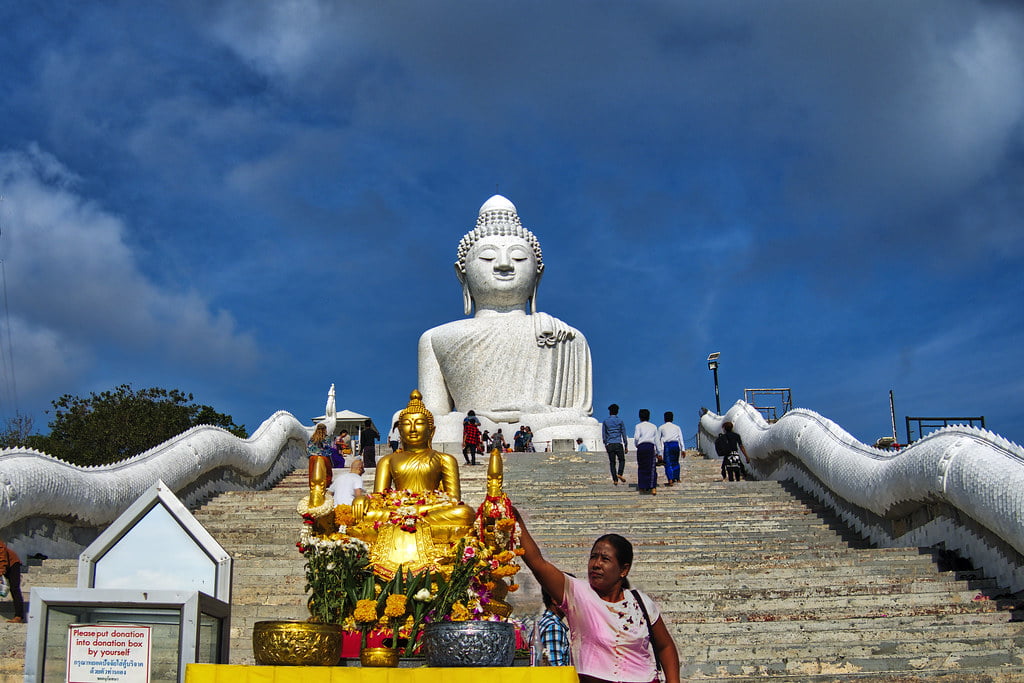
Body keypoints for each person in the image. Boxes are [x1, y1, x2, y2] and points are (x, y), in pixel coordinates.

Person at [417, 195, 597, 440]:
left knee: (579, 430)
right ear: (462, 274)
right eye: (487, 257)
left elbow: (580, 414)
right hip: (473, 429)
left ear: (538, 275)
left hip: (542, 425)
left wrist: (537, 415)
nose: (504, 265)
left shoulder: (566, 337)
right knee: (439, 428)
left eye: (519, 258)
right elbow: (431, 417)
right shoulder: (436, 338)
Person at [516, 511, 681, 683]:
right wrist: (517, 521)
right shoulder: (576, 592)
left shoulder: (641, 602)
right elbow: (538, 563)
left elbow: (665, 646)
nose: (596, 564)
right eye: (593, 557)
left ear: (623, 570)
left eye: (605, 559)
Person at [534, 586, 571, 666]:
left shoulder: (545, 622)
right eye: (570, 596)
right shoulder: (554, 627)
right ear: (555, 600)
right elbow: (556, 669)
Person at [634, 409, 662, 495]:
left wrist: (637, 446)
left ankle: (642, 487)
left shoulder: (638, 426)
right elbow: (657, 440)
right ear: (649, 416)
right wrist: (659, 452)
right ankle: (653, 487)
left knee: (641, 467)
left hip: (641, 447)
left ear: (640, 417)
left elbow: (636, 438)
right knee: (651, 468)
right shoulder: (653, 426)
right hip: (650, 447)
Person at [602, 404, 628, 486]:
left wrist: (605, 444)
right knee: (622, 460)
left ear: (609, 411)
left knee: (612, 463)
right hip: (618, 443)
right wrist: (626, 445)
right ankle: (620, 473)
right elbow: (623, 433)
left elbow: (604, 434)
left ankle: (615, 480)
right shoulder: (620, 421)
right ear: (617, 411)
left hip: (610, 444)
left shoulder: (606, 421)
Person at [658, 412, 685, 487]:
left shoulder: (661, 427)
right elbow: (681, 438)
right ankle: (677, 478)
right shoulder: (677, 427)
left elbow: (657, 440)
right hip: (676, 445)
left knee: (668, 463)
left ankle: (670, 479)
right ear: (672, 418)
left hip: (667, 445)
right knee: (676, 462)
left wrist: (658, 452)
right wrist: (683, 449)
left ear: (664, 418)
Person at [0, 539, 25, 623]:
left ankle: (19, 616)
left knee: (14, 588)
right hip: (3, 566)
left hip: (12, 563)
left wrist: (1, 572)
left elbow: (2, 556)